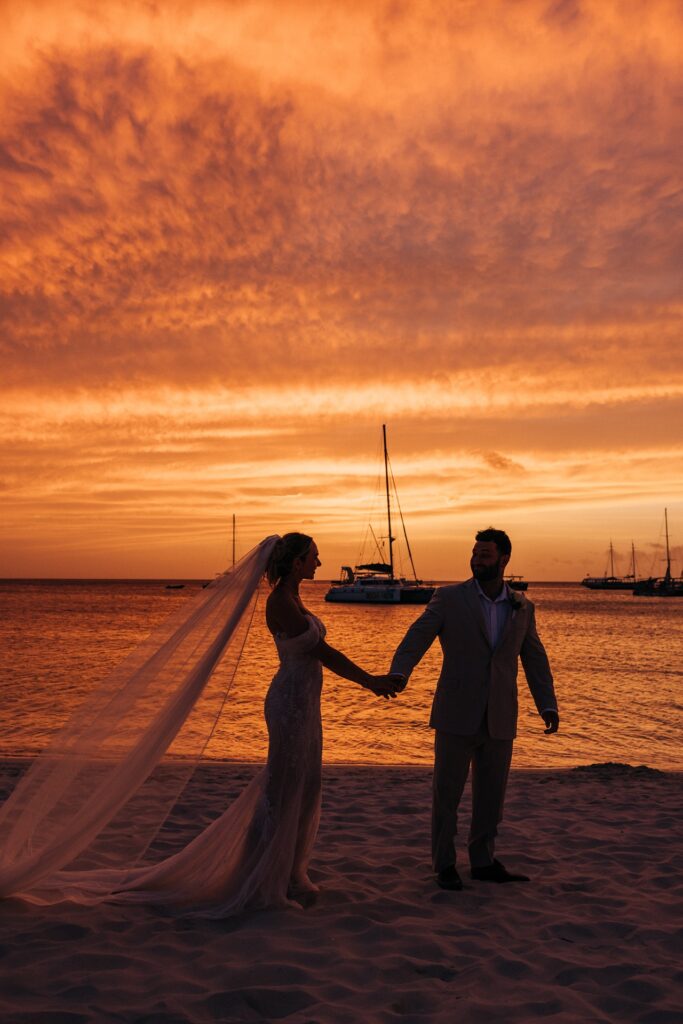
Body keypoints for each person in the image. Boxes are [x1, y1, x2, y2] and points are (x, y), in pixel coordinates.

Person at [0, 532, 400, 914]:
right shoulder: (280, 602)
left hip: (306, 702)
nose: (319, 561)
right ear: (296, 563)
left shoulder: (295, 596)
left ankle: (290, 871)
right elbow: (322, 652)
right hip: (290, 703)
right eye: (313, 555)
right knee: (282, 788)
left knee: (305, 784)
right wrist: (371, 682)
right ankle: (261, 876)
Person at [390, 527, 559, 891]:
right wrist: (400, 672)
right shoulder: (449, 598)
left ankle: (482, 860)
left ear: (504, 559)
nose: (477, 559)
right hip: (456, 712)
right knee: (446, 794)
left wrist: (547, 703)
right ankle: (444, 864)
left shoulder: (522, 606)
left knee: (491, 796)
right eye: (475, 553)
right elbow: (418, 635)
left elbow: (534, 657)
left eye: (485, 554)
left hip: (500, 715)